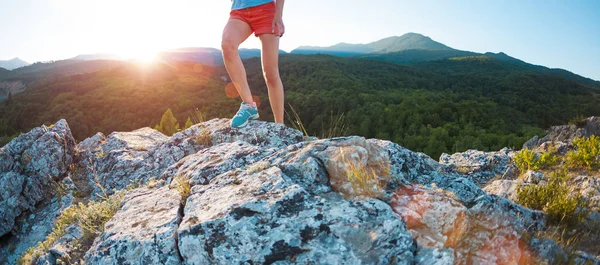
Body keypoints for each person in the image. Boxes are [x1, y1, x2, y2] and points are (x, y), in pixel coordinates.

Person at [222, 0, 285, 128]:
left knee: (270, 74)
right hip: (239, 10)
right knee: (227, 47)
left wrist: (278, 15)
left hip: (266, 10)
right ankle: (248, 105)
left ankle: (280, 126)